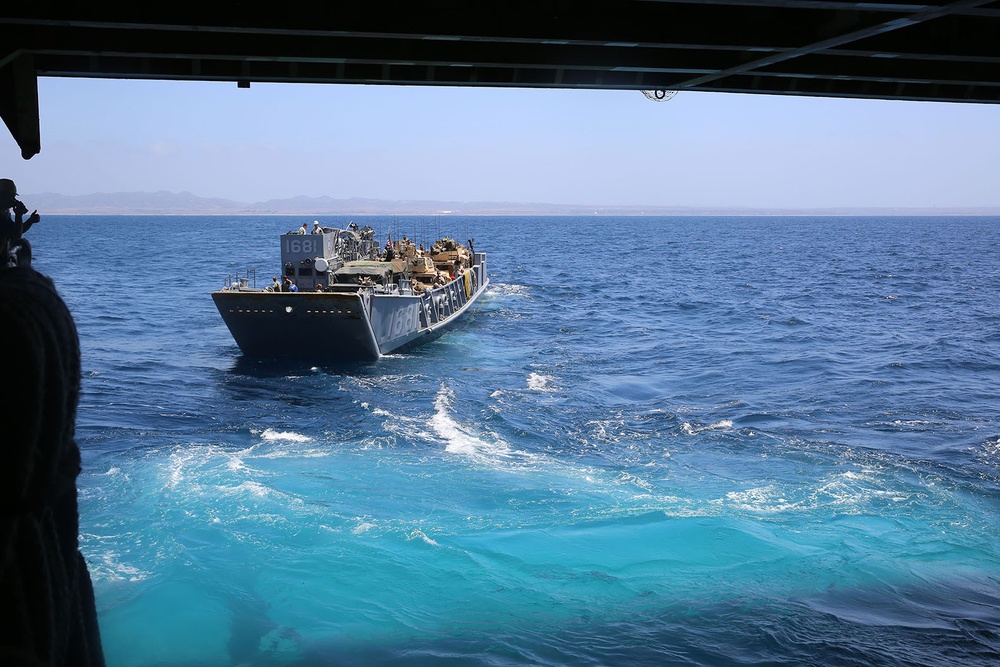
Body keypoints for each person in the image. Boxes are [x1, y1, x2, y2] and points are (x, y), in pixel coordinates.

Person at [0, 178, 41, 268]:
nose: (14, 199)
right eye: (12, 196)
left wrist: (30, 221)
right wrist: (18, 216)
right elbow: (16, 235)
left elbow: (16, 230)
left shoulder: (5, 213)